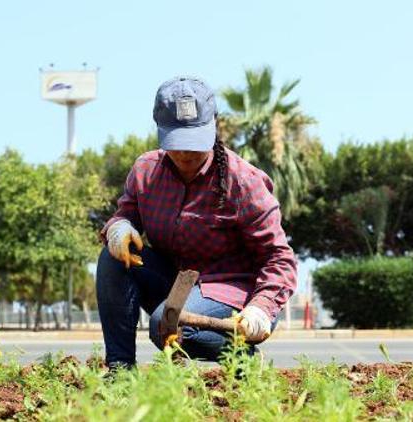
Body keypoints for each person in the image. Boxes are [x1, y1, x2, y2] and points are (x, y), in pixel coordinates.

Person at [96, 76, 297, 369]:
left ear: (214, 126)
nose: (185, 153)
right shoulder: (146, 172)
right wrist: (120, 227)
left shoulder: (243, 182)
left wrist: (260, 309)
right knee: (113, 260)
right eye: (176, 142)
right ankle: (120, 369)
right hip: (176, 282)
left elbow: (279, 258)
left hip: (233, 294)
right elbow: (126, 215)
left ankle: (242, 355)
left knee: (165, 325)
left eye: (194, 142)